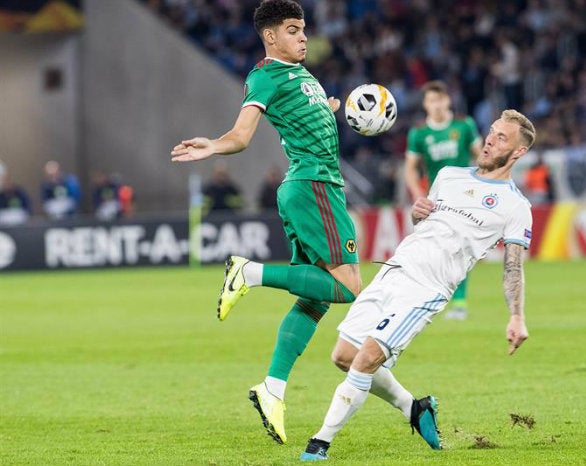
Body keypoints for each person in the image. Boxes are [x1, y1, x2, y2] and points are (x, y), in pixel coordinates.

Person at [170, 0, 361, 445]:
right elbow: (241, 136)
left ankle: (272, 388)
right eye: (293, 30)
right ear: (271, 36)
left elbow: (304, 120)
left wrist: (327, 109)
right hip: (314, 186)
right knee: (348, 287)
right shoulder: (265, 75)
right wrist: (213, 147)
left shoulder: (303, 75)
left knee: (314, 297)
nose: (303, 37)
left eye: (304, 30)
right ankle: (248, 272)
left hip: (311, 188)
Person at [301, 110, 535, 461]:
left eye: (502, 138)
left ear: (518, 152)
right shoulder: (449, 175)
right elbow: (424, 224)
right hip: (395, 269)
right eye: (491, 132)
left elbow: (513, 267)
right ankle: (416, 409)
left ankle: (319, 443)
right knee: (344, 357)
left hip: (427, 289)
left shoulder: (516, 206)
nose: (490, 139)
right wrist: (417, 213)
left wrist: (516, 316)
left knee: (365, 360)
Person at [404, 80, 483, 321]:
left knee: (459, 250)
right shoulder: (419, 133)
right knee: (431, 251)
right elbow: (410, 169)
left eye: (440, 99)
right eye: (431, 101)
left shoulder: (464, 126)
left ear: (447, 100)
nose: (436, 105)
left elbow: (480, 157)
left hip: (463, 198)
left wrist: (479, 186)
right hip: (434, 200)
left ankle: (459, 303)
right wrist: (419, 195)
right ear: (426, 105)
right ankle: (428, 297)